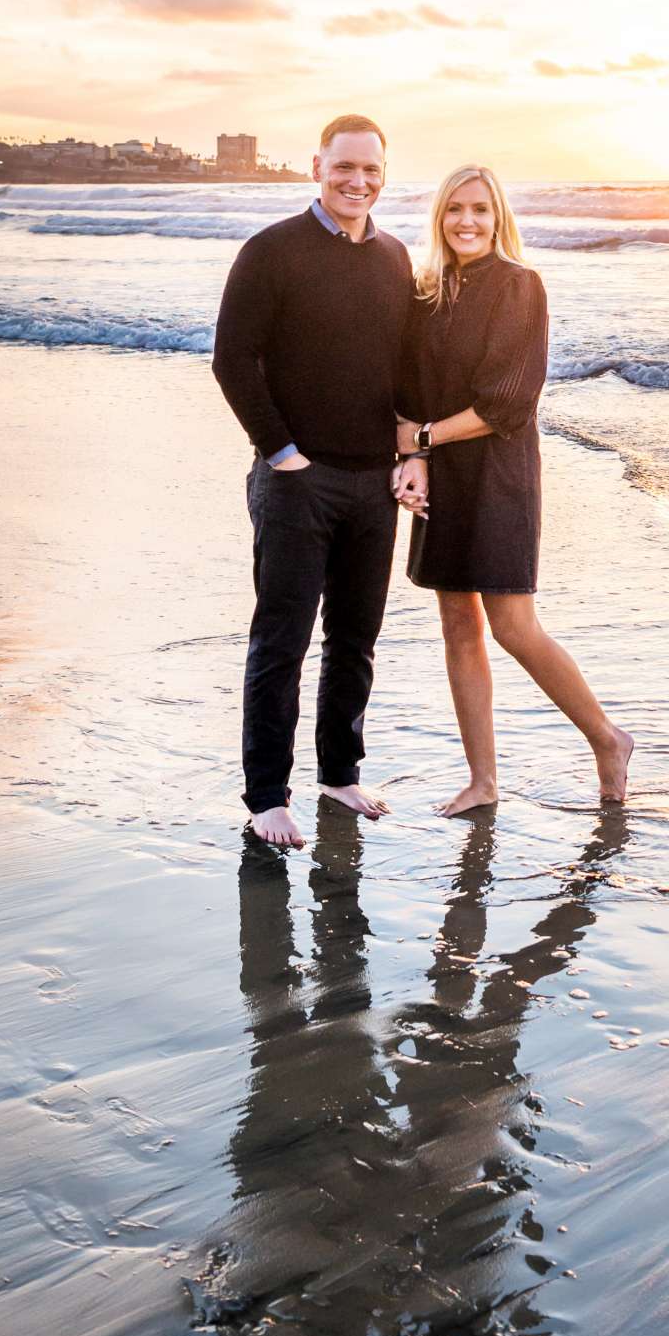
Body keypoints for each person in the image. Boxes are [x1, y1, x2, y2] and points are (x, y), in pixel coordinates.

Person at [394, 164, 633, 815]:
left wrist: (420, 443)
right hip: (443, 470)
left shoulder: (520, 286)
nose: (466, 221)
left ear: (499, 217)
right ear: (439, 218)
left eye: (479, 209)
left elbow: (506, 403)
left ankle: (608, 739)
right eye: (454, 210)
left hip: (498, 473)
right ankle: (484, 781)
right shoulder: (427, 291)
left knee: (512, 626)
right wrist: (411, 454)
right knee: (456, 624)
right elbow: (406, 392)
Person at [213, 114, 412, 850]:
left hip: (373, 485)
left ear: (384, 173)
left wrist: (408, 452)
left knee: (356, 638)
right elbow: (232, 360)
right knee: (283, 639)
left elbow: (403, 368)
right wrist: (282, 454)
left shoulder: (394, 258)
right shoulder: (271, 251)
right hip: (296, 480)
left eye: (370, 169)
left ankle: (339, 772)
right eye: (344, 167)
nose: (357, 181)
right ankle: (266, 795)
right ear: (317, 167)